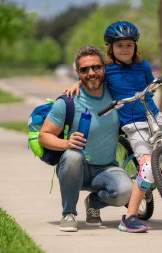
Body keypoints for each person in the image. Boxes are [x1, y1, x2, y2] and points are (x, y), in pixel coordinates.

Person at [64, 21, 162, 233]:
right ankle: (129, 217)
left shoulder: (143, 66)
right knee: (148, 168)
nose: (125, 49)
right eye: (119, 46)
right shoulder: (107, 70)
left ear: (135, 46)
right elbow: (91, 78)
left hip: (155, 118)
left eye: (129, 45)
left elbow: (149, 88)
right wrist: (77, 83)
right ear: (111, 48)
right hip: (133, 123)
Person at [39, 45, 133, 232]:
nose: (91, 73)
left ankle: (93, 204)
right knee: (73, 156)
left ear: (103, 68)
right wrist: (66, 143)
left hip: (106, 168)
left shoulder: (115, 93)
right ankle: (69, 213)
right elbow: (44, 136)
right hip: (76, 169)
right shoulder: (67, 101)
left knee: (126, 191)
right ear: (77, 72)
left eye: (96, 67)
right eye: (85, 70)